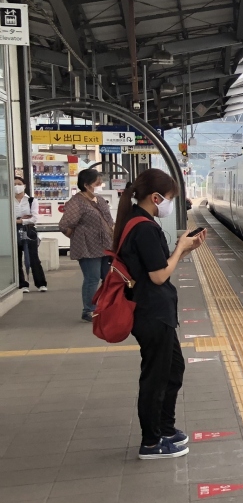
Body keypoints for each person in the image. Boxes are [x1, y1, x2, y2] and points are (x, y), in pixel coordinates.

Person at [112, 168, 206, 459]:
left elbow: (156, 265)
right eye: (169, 198)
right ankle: (151, 443)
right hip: (151, 313)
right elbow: (158, 276)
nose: (170, 204)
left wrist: (185, 250)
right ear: (155, 198)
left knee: (173, 369)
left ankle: (165, 428)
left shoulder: (137, 222)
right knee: (156, 378)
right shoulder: (144, 228)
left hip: (154, 312)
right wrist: (180, 249)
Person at [60, 168, 115, 322]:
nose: (100, 185)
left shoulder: (100, 199)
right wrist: (78, 236)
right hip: (87, 246)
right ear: (86, 185)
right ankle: (89, 310)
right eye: (97, 183)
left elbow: (109, 220)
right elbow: (64, 224)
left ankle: (106, 307)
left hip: (105, 245)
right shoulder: (76, 202)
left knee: (108, 277)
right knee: (92, 278)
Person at [13, 174, 47, 293]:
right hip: (14, 231)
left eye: (19, 184)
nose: (16, 186)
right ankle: (22, 284)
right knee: (17, 258)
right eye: (14, 184)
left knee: (33, 257)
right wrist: (23, 218)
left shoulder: (31, 200)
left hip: (29, 230)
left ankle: (41, 283)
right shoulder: (9, 201)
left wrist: (19, 220)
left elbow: (34, 218)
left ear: (24, 186)